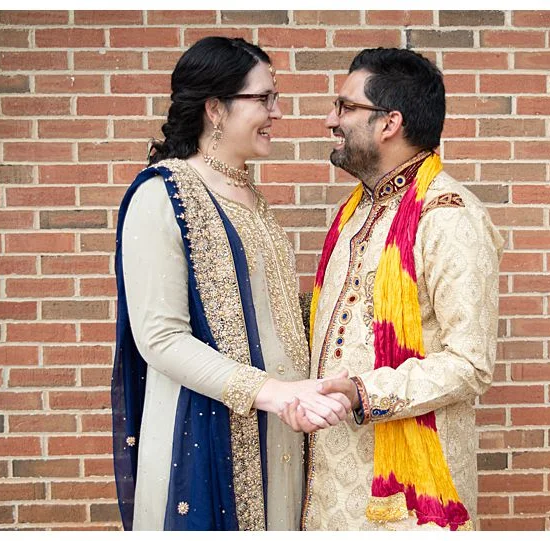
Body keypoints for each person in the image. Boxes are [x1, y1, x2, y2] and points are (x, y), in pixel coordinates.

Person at [111, 36, 350, 531]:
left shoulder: (253, 201)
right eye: (264, 98)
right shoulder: (162, 194)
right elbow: (159, 338)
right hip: (202, 431)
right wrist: (273, 392)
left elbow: (270, 316)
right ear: (215, 108)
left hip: (280, 429)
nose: (277, 111)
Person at [279, 48, 504, 531]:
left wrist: (363, 391)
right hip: (331, 484)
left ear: (389, 123)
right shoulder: (355, 213)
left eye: (344, 107)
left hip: (407, 501)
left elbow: (471, 363)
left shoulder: (448, 218)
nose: (329, 120)